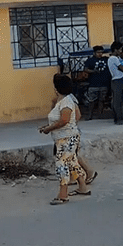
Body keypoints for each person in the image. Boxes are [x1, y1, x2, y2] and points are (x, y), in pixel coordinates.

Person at [39, 74, 90, 205]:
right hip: (67, 136)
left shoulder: (66, 102)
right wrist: (49, 127)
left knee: (61, 164)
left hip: (65, 139)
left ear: (56, 88)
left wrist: (49, 129)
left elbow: (64, 120)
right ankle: (83, 187)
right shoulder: (64, 101)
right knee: (72, 162)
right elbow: (75, 117)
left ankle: (63, 194)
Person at [84, 46, 110, 120]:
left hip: (104, 83)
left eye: (101, 52)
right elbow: (86, 69)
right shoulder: (90, 60)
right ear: (94, 53)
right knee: (91, 101)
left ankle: (100, 114)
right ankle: (90, 115)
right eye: (98, 52)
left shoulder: (105, 59)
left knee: (101, 100)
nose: (100, 54)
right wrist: (93, 71)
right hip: (93, 84)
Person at [107, 41, 123, 125]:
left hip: (117, 80)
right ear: (115, 50)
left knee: (119, 100)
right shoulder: (114, 58)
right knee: (118, 101)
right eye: (119, 49)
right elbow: (122, 68)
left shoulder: (113, 58)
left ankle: (120, 117)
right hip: (117, 80)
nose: (120, 51)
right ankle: (119, 118)